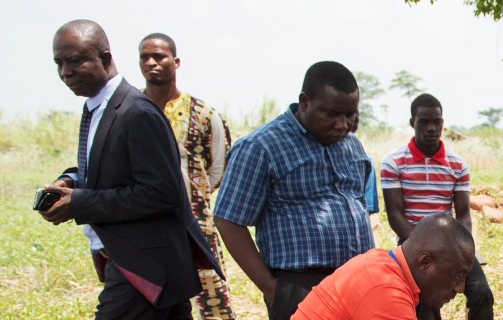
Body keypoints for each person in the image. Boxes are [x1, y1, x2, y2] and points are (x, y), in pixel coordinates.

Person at [41, 19, 221, 319]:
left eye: (74, 61)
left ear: (106, 58)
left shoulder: (136, 112)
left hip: (144, 267)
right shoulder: (98, 107)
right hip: (137, 264)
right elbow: (112, 166)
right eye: (58, 63)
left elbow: (161, 193)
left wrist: (80, 203)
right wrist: (70, 180)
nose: (65, 72)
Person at [214, 61, 376, 320]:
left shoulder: (352, 145)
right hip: (301, 286)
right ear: (304, 102)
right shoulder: (261, 147)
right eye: (332, 114)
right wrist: (270, 287)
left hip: (357, 281)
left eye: (350, 115)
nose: (342, 125)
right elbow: (228, 219)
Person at [137, 32, 236, 319]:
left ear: (175, 61)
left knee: (213, 298)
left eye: (159, 56)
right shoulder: (128, 110)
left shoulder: (203, 114)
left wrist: (193, 194)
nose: (151, 62)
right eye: (145, 57)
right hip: (146, 226)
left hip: (196, 224)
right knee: (152, 299)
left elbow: (219, 168)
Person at [380, 93, 494, 320]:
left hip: (452, 246)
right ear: (412, 123)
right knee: (424, 304)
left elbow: (463, 216)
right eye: (424, 121)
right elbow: (395, 215)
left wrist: (462, 251)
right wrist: (421, 248)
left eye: (437, 121)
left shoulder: (457, 164)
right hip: (413, 248)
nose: (432, 127)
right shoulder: (393, 161)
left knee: (481, 293)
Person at [292, 214, 477, 320]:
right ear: (425, 262)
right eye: (456, 276)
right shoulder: (386, 292)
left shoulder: (383, 262)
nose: (460, 289)